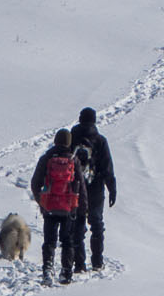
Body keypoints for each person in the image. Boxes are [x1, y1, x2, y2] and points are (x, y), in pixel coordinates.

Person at [29, 128, 85, 285]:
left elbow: (35, 183)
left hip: (50, 207)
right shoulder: (73, 160)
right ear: (69, 142)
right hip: (68, 208)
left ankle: (47, 270)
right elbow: (80, 187)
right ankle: (66, 272)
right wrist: (82, 208)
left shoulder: (46, 158)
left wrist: (42, 202)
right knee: (67, 241)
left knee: (49, 241)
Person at [70, 105, 118, 271]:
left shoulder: (72, 138)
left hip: (75, 188)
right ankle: (97, 262)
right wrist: (112, 189)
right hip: (95, 188)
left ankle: (79, 264)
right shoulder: (100, 140)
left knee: (77, 226)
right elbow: (107, 168)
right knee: (96, 224)